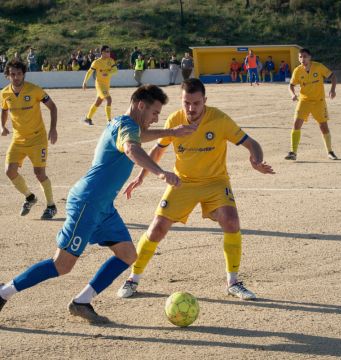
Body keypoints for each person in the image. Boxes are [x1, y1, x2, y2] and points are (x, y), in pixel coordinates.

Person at [0, 85, 197, 322]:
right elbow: (132, 147)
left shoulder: (123, 123)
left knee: (127, 254)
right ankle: (4, 292)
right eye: (155, 113)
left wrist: (172, 132)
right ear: (141, 105)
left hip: (103, 206)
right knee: (62, 265)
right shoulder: (127, 128)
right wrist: (159, 172)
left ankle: (81, 301)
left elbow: (138, 137)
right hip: (88, 202)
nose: (156, 119)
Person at [118, 78, 274, 301]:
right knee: (157, 229)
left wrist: (256, 160)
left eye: (196, 104)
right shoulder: (175, 120)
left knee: (231, 221)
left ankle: (233, 282)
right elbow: (158, 150)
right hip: (183, 183)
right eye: (186, 103)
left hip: (216, 182)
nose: (191, 109)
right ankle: (133, 279)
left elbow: (252, 143)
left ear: (205, 101)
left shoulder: (219, 119)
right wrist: (141, 176)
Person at [0, 60, 58, 219]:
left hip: (37, 138)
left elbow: (53, 107)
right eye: (13, 74)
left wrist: (53, 129)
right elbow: (4, 110)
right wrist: (2, 126)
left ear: (23, 74)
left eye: (19, 74)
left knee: (39, 173)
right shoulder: (4, 93)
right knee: (9, 171)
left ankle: (51, 205)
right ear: (7, 76)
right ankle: (30, 197)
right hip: (18, 139)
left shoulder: (34, 90)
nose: (16, 77)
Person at [285, 48, 338, 161]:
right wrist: (292, 95)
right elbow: (290, 85)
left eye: (305, 56)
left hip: (319, 102)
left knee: (323, 127)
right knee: (296, 124)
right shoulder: (297, 70)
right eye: (300, 57)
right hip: (304, 101)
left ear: (310, 57)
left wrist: (332, 90)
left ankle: (330, 152)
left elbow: (333, 76)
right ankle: (293, 152)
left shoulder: (318, 67)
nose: (302, 59)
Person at [82, 45, 118, 125]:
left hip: (106, 85)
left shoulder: (111, 60)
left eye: (109, 51)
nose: (109, 53)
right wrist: (85, 81)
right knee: (109, 99)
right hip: (99, 84)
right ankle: (109, 121)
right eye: (107, 51)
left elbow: (115, 70)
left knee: (98, 102)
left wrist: (108, 73)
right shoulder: (96, 62)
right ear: (102, 52)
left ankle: (88, 118)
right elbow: (89, 72)